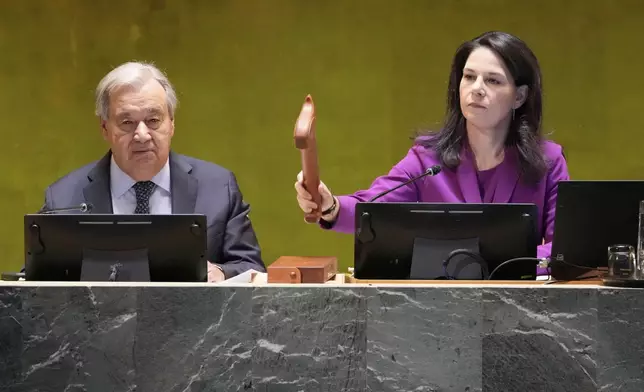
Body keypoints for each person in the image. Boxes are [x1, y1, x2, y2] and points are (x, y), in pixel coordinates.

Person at [295, 31, 569, 277]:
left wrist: (504, 265)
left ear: (519, 97)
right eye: (469, 77)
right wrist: (329, 206)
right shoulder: (427, 159)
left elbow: (562, 250)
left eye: (493, 81)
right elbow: (372, 208)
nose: (477, 88)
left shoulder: (548, 161)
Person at [41, 61, 266, 281]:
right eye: (127, 122)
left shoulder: (218, 187)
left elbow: (251, 268)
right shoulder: (63, 198)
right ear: (104, 128)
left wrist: (221, 273)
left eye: (153, 120)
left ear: (172, 124)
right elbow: (34, 285)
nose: (142, 134)